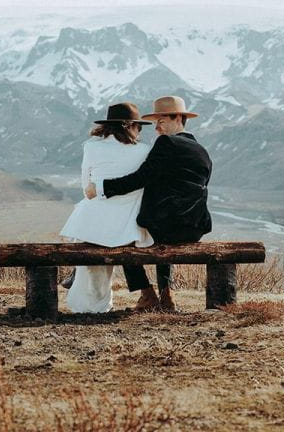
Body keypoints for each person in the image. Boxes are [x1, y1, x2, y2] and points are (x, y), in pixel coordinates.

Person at [86, 95, 212, 312]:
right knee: (161, 227)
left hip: (166, 226)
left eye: (161, 121)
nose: (157, 129)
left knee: (123, 235)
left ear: (178, 119)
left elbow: (142, 177)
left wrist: (101, 188)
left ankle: (147, 294)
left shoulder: (166, 143)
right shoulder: (201, 150)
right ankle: (167, 295)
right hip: (195, 227)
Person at [59, 102, 153, 313]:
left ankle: (85, 298)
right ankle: (99, 301)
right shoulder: (145, 150)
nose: (139, 131)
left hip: (94, 222)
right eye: (138, 126)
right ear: (129, 126)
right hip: (128, 225)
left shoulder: (92, 147)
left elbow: (86, 188)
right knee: (106, 245)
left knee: (89, 245)